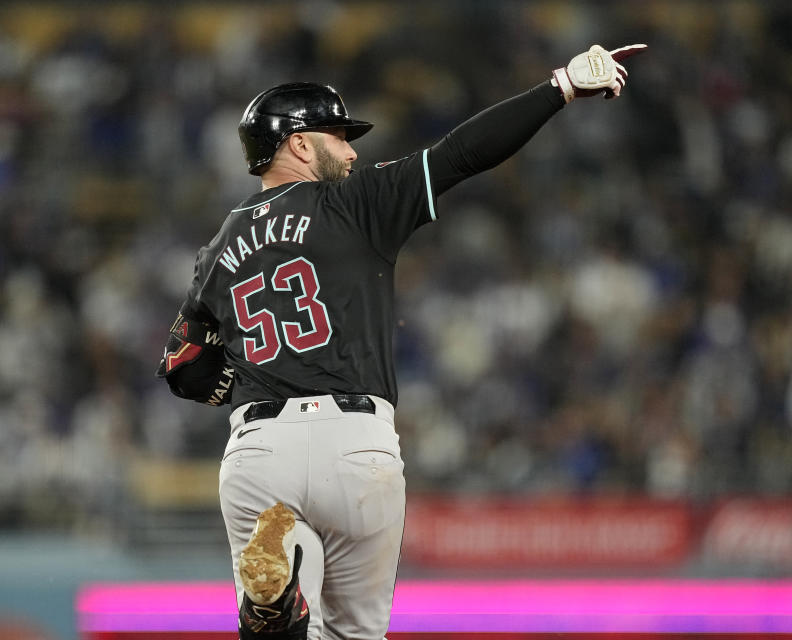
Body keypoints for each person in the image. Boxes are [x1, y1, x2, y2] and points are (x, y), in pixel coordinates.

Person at [156, 43, 646, 640]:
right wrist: (560, 88)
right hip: (354, 444)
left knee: (285, 628)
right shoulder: (354, 201)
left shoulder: (219, 246)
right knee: (354, 634)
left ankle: (283, 592)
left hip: (258, 448)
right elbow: (462, 154)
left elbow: (182, 364)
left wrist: (241, 383)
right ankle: (288, 584)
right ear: (300, 144)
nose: (352, 149)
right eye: (338, 135)